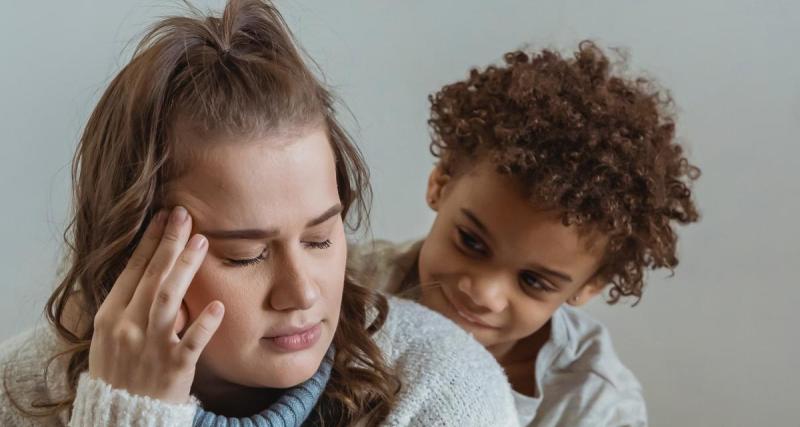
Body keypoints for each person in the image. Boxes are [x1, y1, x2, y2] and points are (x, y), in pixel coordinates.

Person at [0, 1, 518, 426]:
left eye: (319, 239)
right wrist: (129, 416)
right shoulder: (21, 389)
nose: (303, 292)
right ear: (130, 251)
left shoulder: (444, 392)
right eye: (244, 256)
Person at [350, 41, 701, 426]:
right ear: (442, 182)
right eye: (471, 242)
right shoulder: (348, 285)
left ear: (590, 285)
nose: (484, 294)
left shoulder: (593, 403)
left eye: (533, 281)